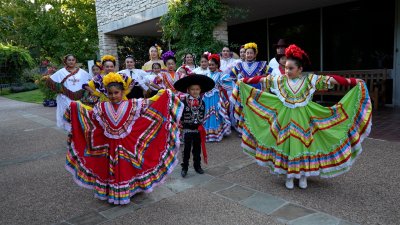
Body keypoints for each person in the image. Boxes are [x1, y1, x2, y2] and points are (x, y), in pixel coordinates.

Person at [232, 44, 372, 189]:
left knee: (303, 146)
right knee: (287, 146)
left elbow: (330, 80)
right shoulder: (280, 80)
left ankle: (303, 175)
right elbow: (263, 79)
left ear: (300, 69)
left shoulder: (309, 80)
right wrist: (245, 81)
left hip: (304, 119)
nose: (287, 71)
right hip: (284, 119)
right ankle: (289, 176)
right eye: (286, 67)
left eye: (291, 68)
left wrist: (353, 82)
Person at [64, 72, 184, 205]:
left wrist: (163, 94)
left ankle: (128, 190)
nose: (113, 96)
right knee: (111, 168)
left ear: (122, 92)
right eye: (110, 93)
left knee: (128, 167)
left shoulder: (133, 104)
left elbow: (150, 102)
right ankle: (113, 191)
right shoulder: (102, 107)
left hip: (127, 144)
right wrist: (76, 107)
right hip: (109, 145)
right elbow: (90, 114)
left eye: (116, 92)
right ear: (107, 94)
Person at [174, 74, 215, 177]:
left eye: (197, 89)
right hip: (187, 129)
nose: (195, 91)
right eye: (192, 89)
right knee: (186, 150)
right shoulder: (183, 102)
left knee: (197, 150)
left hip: (198, 130)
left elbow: (203, 114)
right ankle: (185, 167)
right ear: (188, 90)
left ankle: (197, 166)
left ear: (200, 90)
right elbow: (179, 115)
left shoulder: (203, 102)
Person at [46, 54, 91, 131]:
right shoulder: (61, 72)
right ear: (66, 61)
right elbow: (49, 82)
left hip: (79, 99)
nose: (71, 62)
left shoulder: (82, 72)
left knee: (80, 117)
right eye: (69, 60)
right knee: (68, 118)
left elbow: (90, 81)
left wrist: (85, 92)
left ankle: (78, 135)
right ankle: (71, 134)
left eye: (73, 60)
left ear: (75, 61)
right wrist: (61, 89)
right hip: (66, 99)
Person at [203, 53, 233, 142]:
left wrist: (220, 86)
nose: (211, 66)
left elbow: (228, 84)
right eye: (209, 65)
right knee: (207, 114)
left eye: (213, 65)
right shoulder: (206, 74)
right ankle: (207, 133)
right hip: (207, 98)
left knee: (215, 114)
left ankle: (216, 133)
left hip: (216, 97)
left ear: (217, 65)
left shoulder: (221, 74)